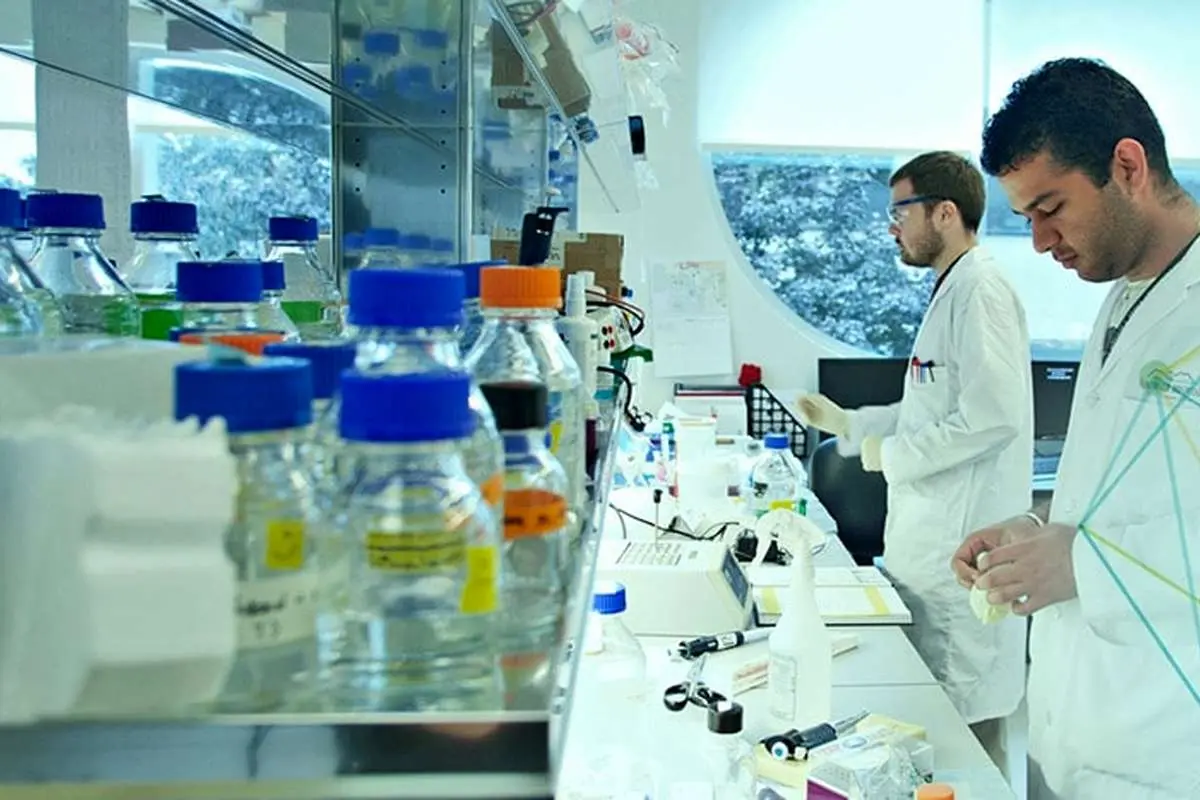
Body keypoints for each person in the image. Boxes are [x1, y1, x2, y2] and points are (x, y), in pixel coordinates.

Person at [954, 57, 1200, 799]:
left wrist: (1081, 565)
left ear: (1127, 167)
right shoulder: (1126, 294)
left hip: (1169, 751)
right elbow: (1132, 491)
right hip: (1078, 732)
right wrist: (1038, 528)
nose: (1038, 240)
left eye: (1051, 207)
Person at [798, 151, 1032, 765]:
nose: (892, 227)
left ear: (945, 212)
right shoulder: (952, 288)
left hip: (958, 551)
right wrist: (851, 425)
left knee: (963, 742)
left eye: (901, 211)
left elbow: (992, 416)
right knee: (932, 730)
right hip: (928, 547)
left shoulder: (980, 290)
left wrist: (891, 454)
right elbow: (933, 409)